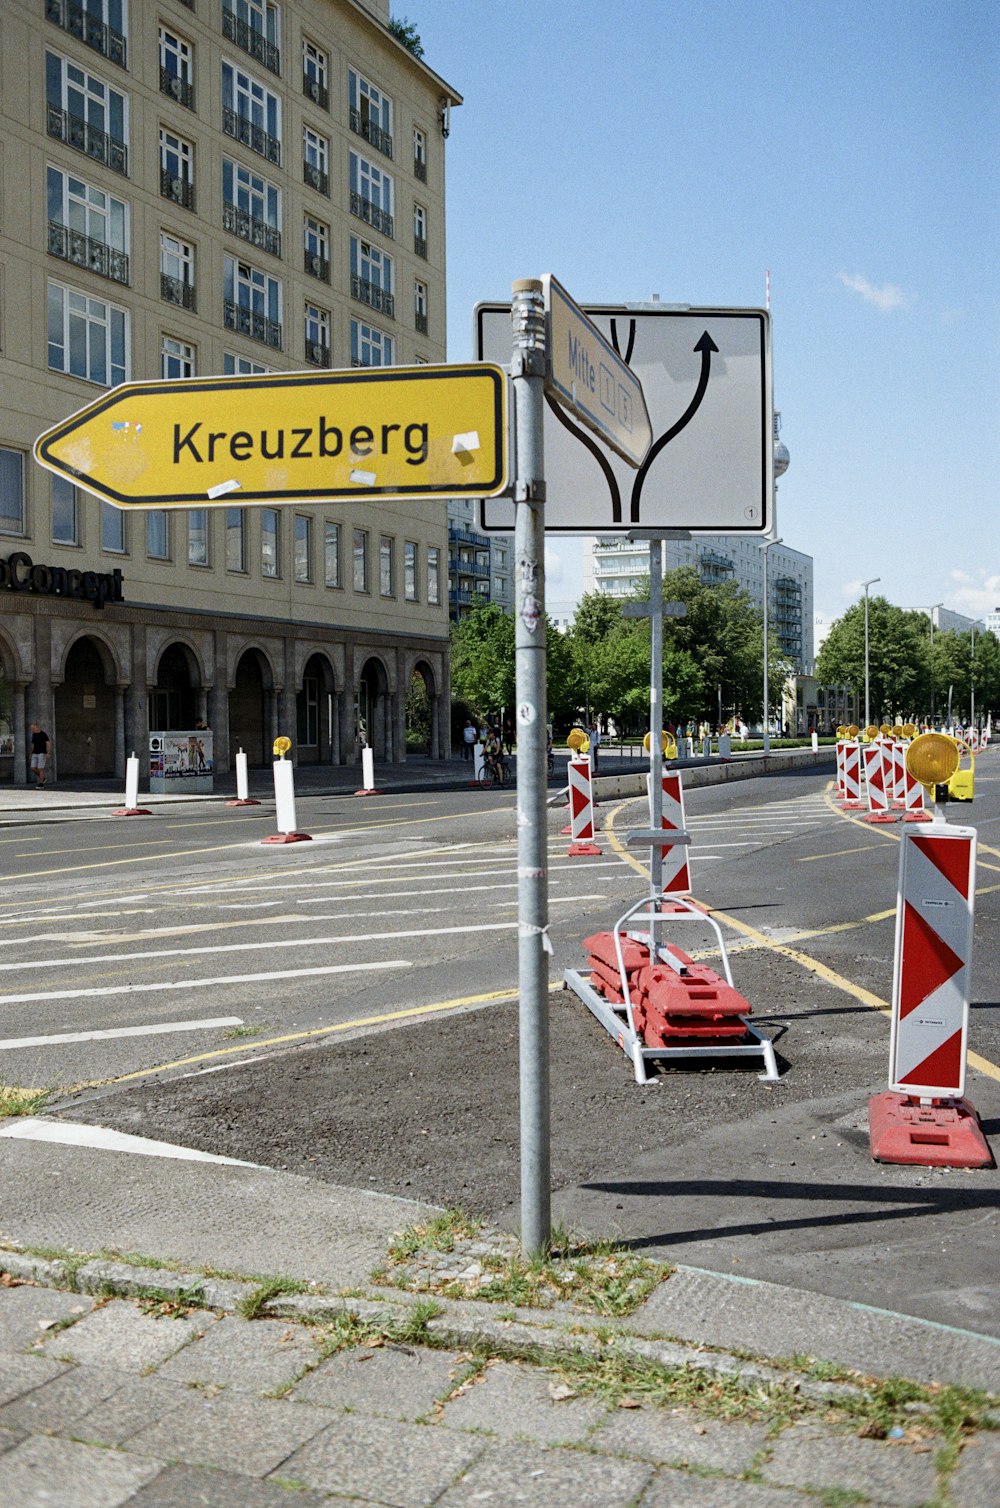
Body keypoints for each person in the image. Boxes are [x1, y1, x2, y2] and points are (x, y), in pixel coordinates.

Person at [29, 723, 51, 787]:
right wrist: (30, 753)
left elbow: (48, 743)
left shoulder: (44, 734)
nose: (32, 729)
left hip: (42, 753)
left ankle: (41, 783)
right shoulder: (34, 735)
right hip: (34, 753)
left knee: (40, 768)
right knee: (33, 768)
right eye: (31, 728)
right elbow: (33, 745)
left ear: (38, 727)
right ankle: (43, 778)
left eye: (33, 728)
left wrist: (48, 752)